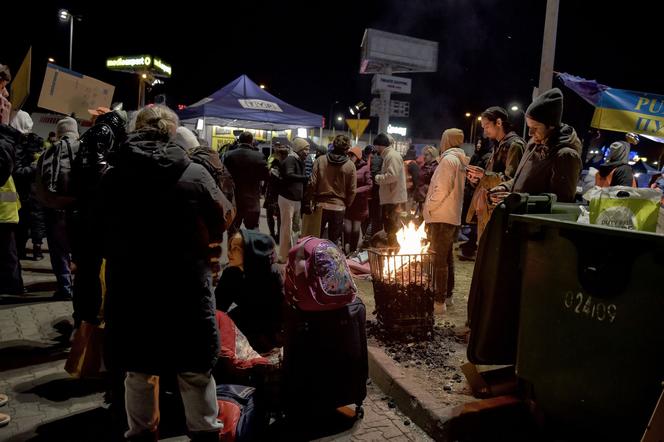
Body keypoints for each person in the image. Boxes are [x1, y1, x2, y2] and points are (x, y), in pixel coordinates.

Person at [94, 105, 226, 441]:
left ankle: (141, 433)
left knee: (138, 371)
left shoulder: (112, 176)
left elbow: (95, 229)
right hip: (185, 290)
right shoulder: (195, 173)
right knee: (194, 371)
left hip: (131, 290)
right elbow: (221, 219)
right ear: (171, 132)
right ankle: (204, 432)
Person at [489, 88, 583, 205]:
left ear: (551, 126)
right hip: (517, 218)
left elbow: (560, 203)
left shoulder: (565, 155)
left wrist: (520, 200)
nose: (530, 133)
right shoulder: (533, 144)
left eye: (535, 128)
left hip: (534, 222)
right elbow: (523, 181)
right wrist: (505, 187)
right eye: (529, 127)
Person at [215, 229, 284, 353]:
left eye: (236, 249)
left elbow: (280, 310)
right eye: (230, 247)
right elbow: (218, 308)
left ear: (249, 252)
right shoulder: (231, 273)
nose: (229, 252)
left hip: (269, 324)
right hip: (245, 317)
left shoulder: (272, 273)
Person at [424, 128, 468, 307]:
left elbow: (442, 189)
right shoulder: (457, 160)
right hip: (450, 214)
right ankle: (447, 295)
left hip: (441, 215)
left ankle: (439, 300)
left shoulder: (448, 160)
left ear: (447, 141)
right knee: (447, 257)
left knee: (439, 260)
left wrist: (429, 207)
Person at [10, 111, 46, 261]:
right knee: (24, 222)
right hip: (19, 193)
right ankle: (23, 249)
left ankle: (29, 248)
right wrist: (35, 166)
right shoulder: (17, 143)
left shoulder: (21, 142)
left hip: (24, 192)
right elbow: (18, 171)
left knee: (30, 220)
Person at [310, 134, 356, 246]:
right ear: (347, 148)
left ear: (333, 145)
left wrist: (311, 199)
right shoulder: (350, 165)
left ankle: (314, 262)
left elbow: (312, 183)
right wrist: (346, 204)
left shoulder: (320, 160)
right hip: (339, 207)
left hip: (320, 205)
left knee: (315, 239)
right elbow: (352, 190)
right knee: (333, 242)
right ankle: (330, 262)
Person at [223, 131, 268, 234]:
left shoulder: (228, 155)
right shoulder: (259, 156)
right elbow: (266, 176)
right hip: (252, 200)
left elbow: (224, 175)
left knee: (233, 231)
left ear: (239, 141)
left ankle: (232, 249)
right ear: (252, 141)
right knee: (253, 232)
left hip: (234, 200)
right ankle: (250, 249)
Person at [278, 138, 309, 262]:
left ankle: (292, 254)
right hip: (288, 199)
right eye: (305, 149)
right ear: (299, 149)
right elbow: (288, 175)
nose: (307, 152)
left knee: (296, 228)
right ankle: (283, 255)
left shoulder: (299, 159)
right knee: (287, 228)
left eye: (308, 149)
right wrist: (304, 178)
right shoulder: (291, 159)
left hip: (295, 200)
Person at [374, 133, 407, 246]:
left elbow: (392, 176)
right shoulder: (390, 155)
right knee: (390, 229)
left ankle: (394, 252)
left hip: (393, 199)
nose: (375, 149)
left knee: (392, 229)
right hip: (392, 198)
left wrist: (378, 178)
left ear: (379, 145)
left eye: (376, 146)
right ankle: (393, 251)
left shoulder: (392, 156)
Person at [344, 146, 372, 255]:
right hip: (349, 201)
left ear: (358, 156)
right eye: (349, 155)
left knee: (356, 228)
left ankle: (353, 250)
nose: (350, 157)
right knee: (347, 227)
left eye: (352, 155)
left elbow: (370, 185)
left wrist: (356, 190)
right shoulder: (347, 166)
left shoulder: (365, 168)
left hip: (359, 203)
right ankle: (346, 250)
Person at [264, 144, 288, 244]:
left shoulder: (277, 164)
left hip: (274, 193)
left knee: (273, 215)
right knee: (278, 215)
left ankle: (274, 234)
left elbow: (269, 177)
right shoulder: (285, 164)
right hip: (277, 193)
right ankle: (276, 234)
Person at [416, 145, 439, 216]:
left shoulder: (436, 168)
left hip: (428, 199)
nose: (424, 157)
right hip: (421, 198)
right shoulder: (424, 166)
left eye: (426, 155)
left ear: (432, 155)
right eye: (424, 154)